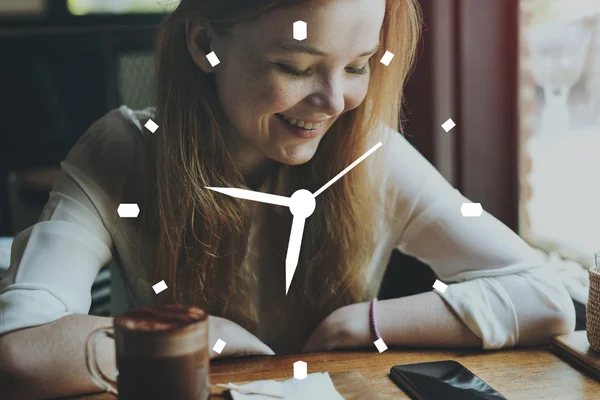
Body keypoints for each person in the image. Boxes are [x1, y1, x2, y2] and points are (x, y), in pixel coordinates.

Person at [0, 0, 576, 398]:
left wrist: (363, 323)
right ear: (205, 44)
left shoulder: (372, 153)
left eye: (357, 66)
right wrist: (204, 335)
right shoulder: (121, 152)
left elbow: (544, 295)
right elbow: (19, 354)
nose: (334, 101)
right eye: (295, 67)